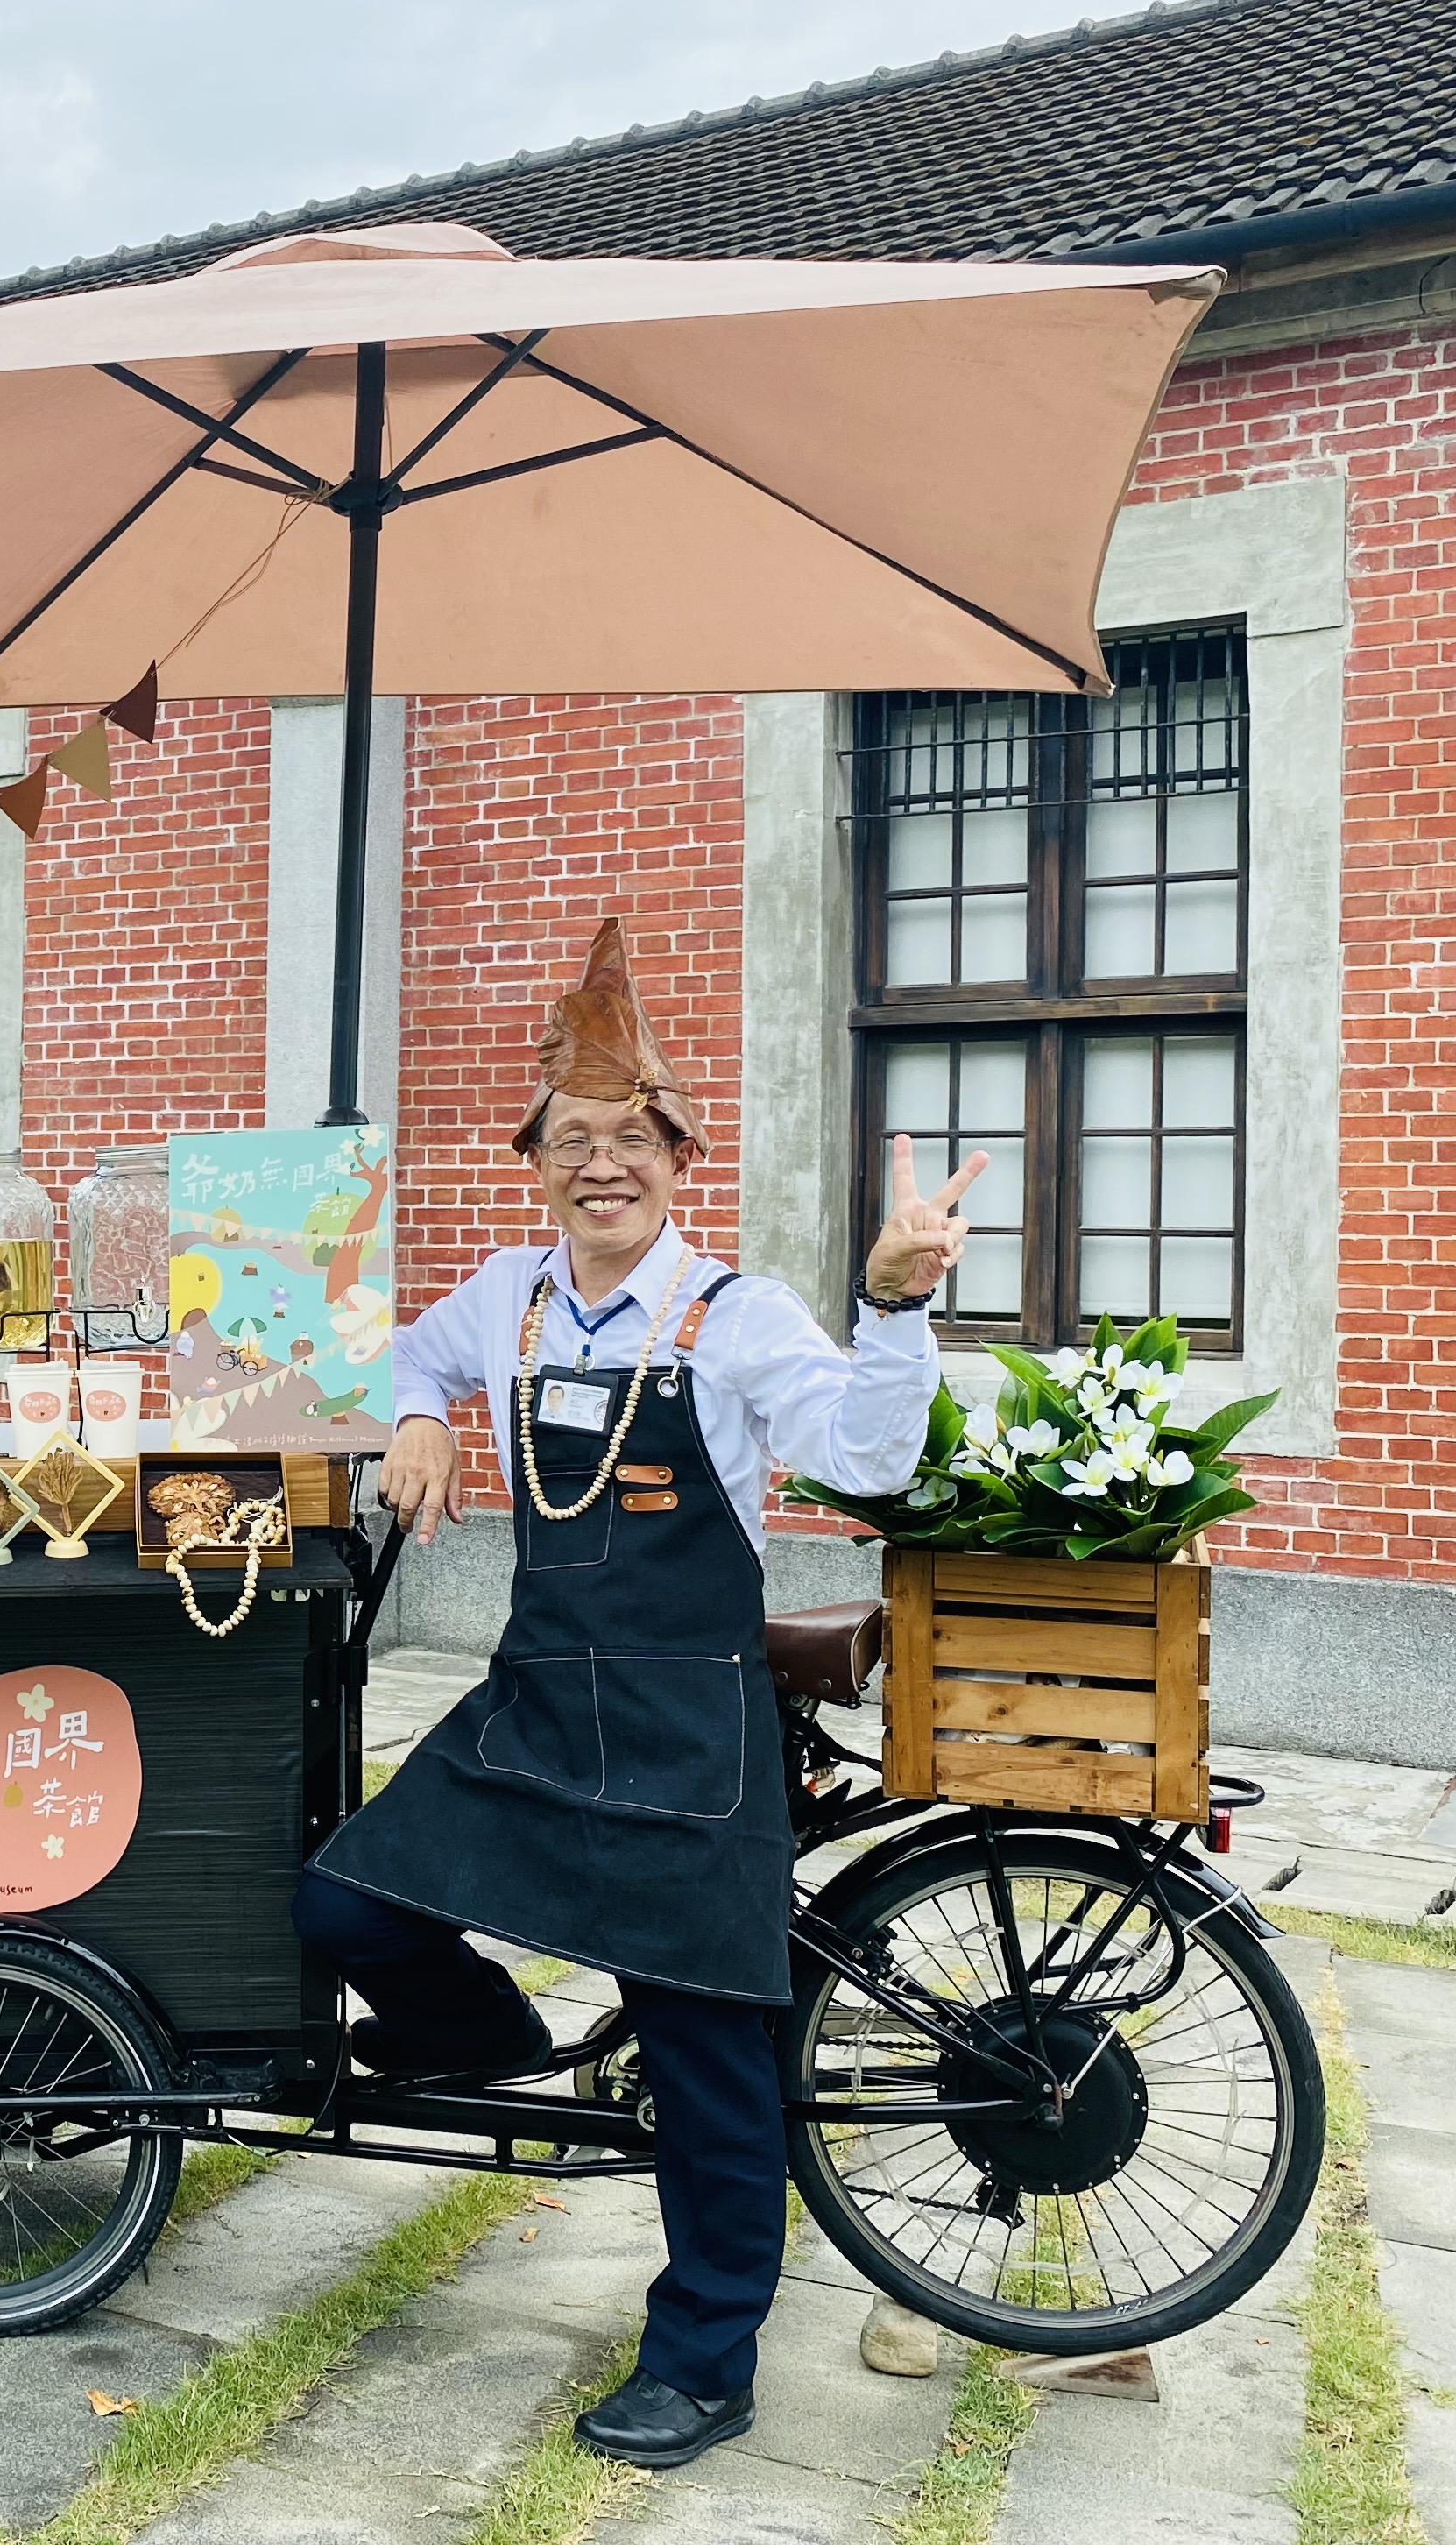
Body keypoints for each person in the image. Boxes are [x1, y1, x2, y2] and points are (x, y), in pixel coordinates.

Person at [294, 920, 979, 2471]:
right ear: (538, 1160)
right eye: (574, 1142)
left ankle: (706, 2356)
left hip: (688, 1728)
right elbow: (406, 1353)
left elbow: (869, 1458)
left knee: (706, 2052)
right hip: (537, 1704)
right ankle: (489, 2052)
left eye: (632, 1142)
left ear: (680, 1157)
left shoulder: (734, 1314)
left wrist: (895, 1301)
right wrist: (417, 1415)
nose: (603, 1167)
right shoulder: (505, 1297)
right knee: (344, 1907)